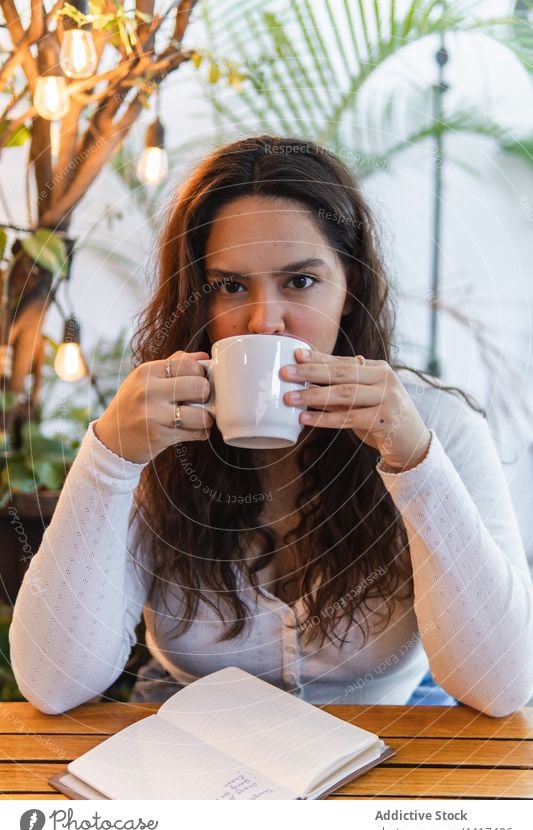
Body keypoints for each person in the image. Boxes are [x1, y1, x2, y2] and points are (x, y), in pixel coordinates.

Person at [9, 135, 533, 717]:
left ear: (350, 290)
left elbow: (503, 686)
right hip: (188, 746)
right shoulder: (153, 431)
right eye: (231, 286)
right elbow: (54, 683)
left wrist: (415, 463)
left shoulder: (437, 426)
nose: (264, 320)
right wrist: (109, 461)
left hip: (386, 746)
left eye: (300, 281)